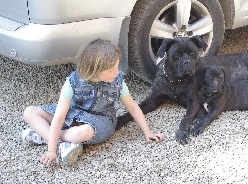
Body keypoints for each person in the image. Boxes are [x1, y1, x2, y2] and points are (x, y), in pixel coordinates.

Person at [22, 39, 164, 166]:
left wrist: (148, 132)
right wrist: (51, 151)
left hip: (100, 121)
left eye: (117, 66)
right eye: (110, 70)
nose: (116, 72)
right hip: (74, 115)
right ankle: (62, 144)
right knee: (30, 112)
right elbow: (60, 116)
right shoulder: (73, 81)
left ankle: (44, 135)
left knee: (83, 132)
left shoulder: (118, 82)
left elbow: (132, 107)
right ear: (93, 69)